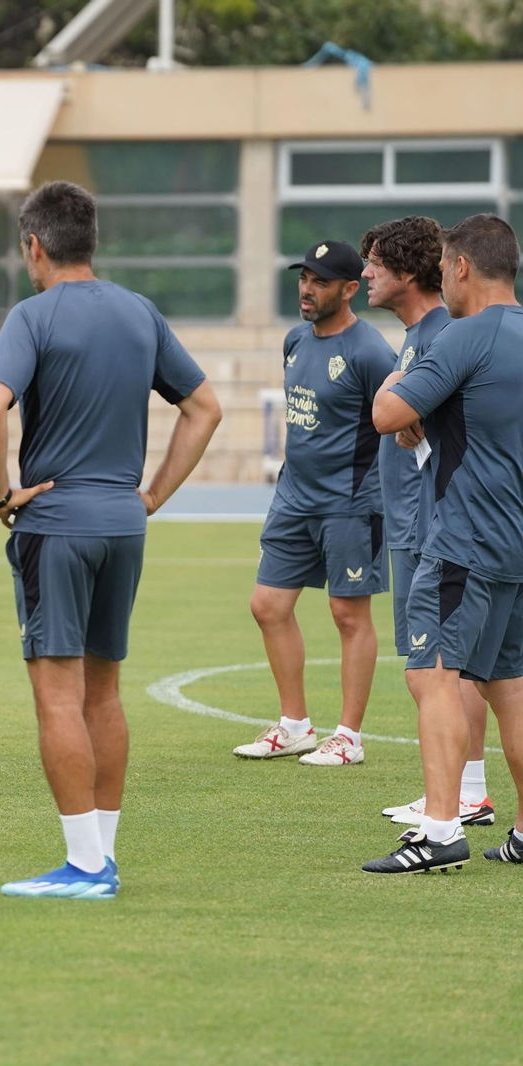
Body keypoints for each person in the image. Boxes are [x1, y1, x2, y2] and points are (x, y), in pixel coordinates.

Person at [0, 181, 220, 899]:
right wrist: (152, 496)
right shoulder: (140, 311)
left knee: (57, 695)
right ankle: (100, 856)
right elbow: (204, 409)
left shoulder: (33, 315)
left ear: (34, 246)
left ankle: (85, 867)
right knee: (103, 692)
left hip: (57, 523)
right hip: (122, 521)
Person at [365, 214, 523, 874]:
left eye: (444, 269)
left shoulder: (465, 335)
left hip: (465, 537)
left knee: (430, 673)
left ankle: (439, 829)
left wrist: (403, 392)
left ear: (460, 267)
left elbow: (386, 414)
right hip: (515, 542)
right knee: (509, 685)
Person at [233, 240, 396, 766]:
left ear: (349, 289)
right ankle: (295, 726)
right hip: (293, 498)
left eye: (320, 281)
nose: (307, 289)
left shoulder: (370, 351)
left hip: (349, 505)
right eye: (304, 277)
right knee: (267, 606)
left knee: (348, 615)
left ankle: (349, 737)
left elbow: (402, 420)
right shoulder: (295, 340)